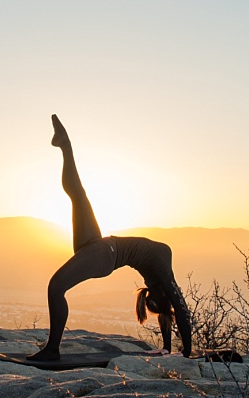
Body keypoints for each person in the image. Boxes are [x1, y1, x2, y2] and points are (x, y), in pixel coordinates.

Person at [30, 115, 193, 361]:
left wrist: (171, 349)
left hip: (104, 254)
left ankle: (52, 350)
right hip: (101, 246)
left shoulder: (158, 272)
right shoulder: (162, 267)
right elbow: (180, 310)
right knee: (78, 195)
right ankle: (65, 144)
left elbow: (171, 312)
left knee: (56, 287)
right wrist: (186, 352)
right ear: (159, 298)